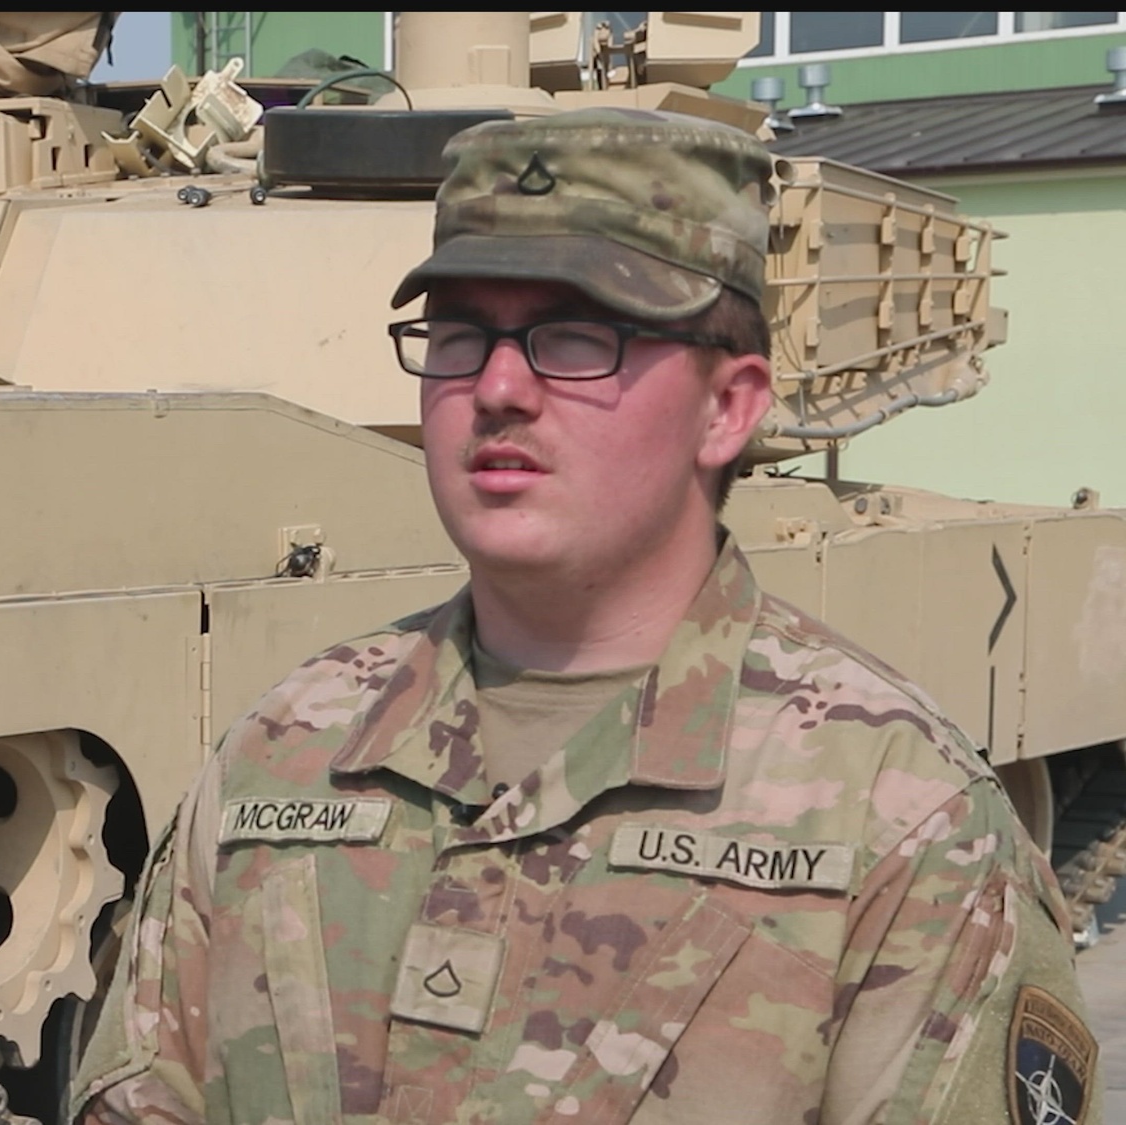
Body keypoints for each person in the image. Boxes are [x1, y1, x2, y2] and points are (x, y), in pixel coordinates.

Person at [71, 108, 1098, 1125]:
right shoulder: (284, 750)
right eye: (460, 334)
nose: (498, 386)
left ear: (727, 406)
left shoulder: (893, 814)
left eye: (576, 336)